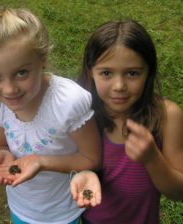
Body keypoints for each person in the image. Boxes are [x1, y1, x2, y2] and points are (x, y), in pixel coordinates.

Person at [0, 7, 102, 224]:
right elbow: (1, 144)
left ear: (42, 59)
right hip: (21, 208)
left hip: (63, 210)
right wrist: (1, 153)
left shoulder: (67, 102)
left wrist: (41, 162)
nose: (9, 89)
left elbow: (91, 159)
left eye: (21, 73)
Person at [71, 20, 183, 223]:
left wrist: (152, 159)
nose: (119, 86)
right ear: (91, 72)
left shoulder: (166, 116)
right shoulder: (81, 115)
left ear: (149, 72)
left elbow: (178, 192)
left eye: (132, 73)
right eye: (106, 73)